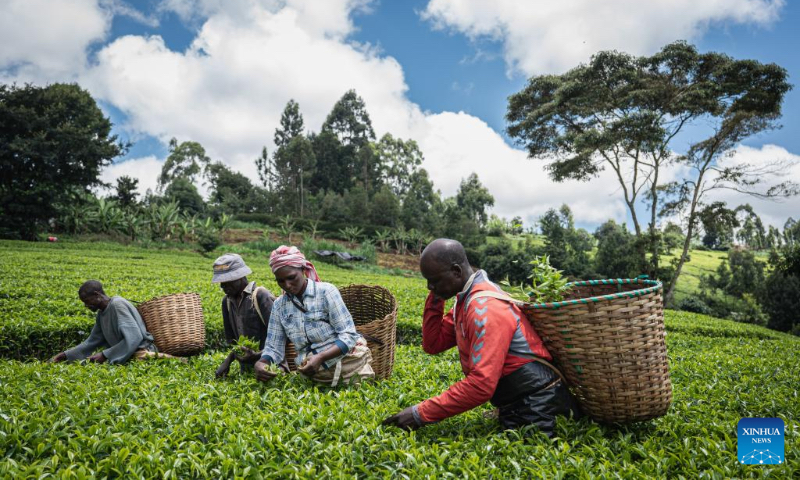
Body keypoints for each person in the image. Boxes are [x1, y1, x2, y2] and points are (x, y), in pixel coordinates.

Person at [382, 239, 581, 437]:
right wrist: (436, 295)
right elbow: (433, 344)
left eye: (434, 280)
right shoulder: (466, 300)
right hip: (516, 402)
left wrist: (419, 414)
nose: (429, 286)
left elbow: (481, 385)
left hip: (539, 405)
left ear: (456, 272)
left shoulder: (485, 308)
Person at [254, 245, 374, 387]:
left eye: (291, 277)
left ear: (303, 270)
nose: (287, 285)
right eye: (280, 281)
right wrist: (261, 362)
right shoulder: (279, 306)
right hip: (311, 377)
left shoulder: (326, 292)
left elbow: (348, 335)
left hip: (345, 366)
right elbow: (274, 347)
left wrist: (321, 357)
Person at [49, 280, 163, 365]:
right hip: (125, 355)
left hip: (141, 353)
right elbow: (92, 341)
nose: (86, 306)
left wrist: (105, 355)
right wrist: (65, 355)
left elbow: (134, 337)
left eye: (87, 301)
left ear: (97, 295)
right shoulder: (101, 313)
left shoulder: (117, 305)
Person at [212, 253, 276, 377]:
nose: (222, 286)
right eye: (221, 282)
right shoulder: (227, 302)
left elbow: (279, 338)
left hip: (268, 368)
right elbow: (233, 341)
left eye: (226, 281)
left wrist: (257, 355)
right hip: (245, 371)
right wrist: (228, 361)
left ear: (239, 276)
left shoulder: (260, 296)